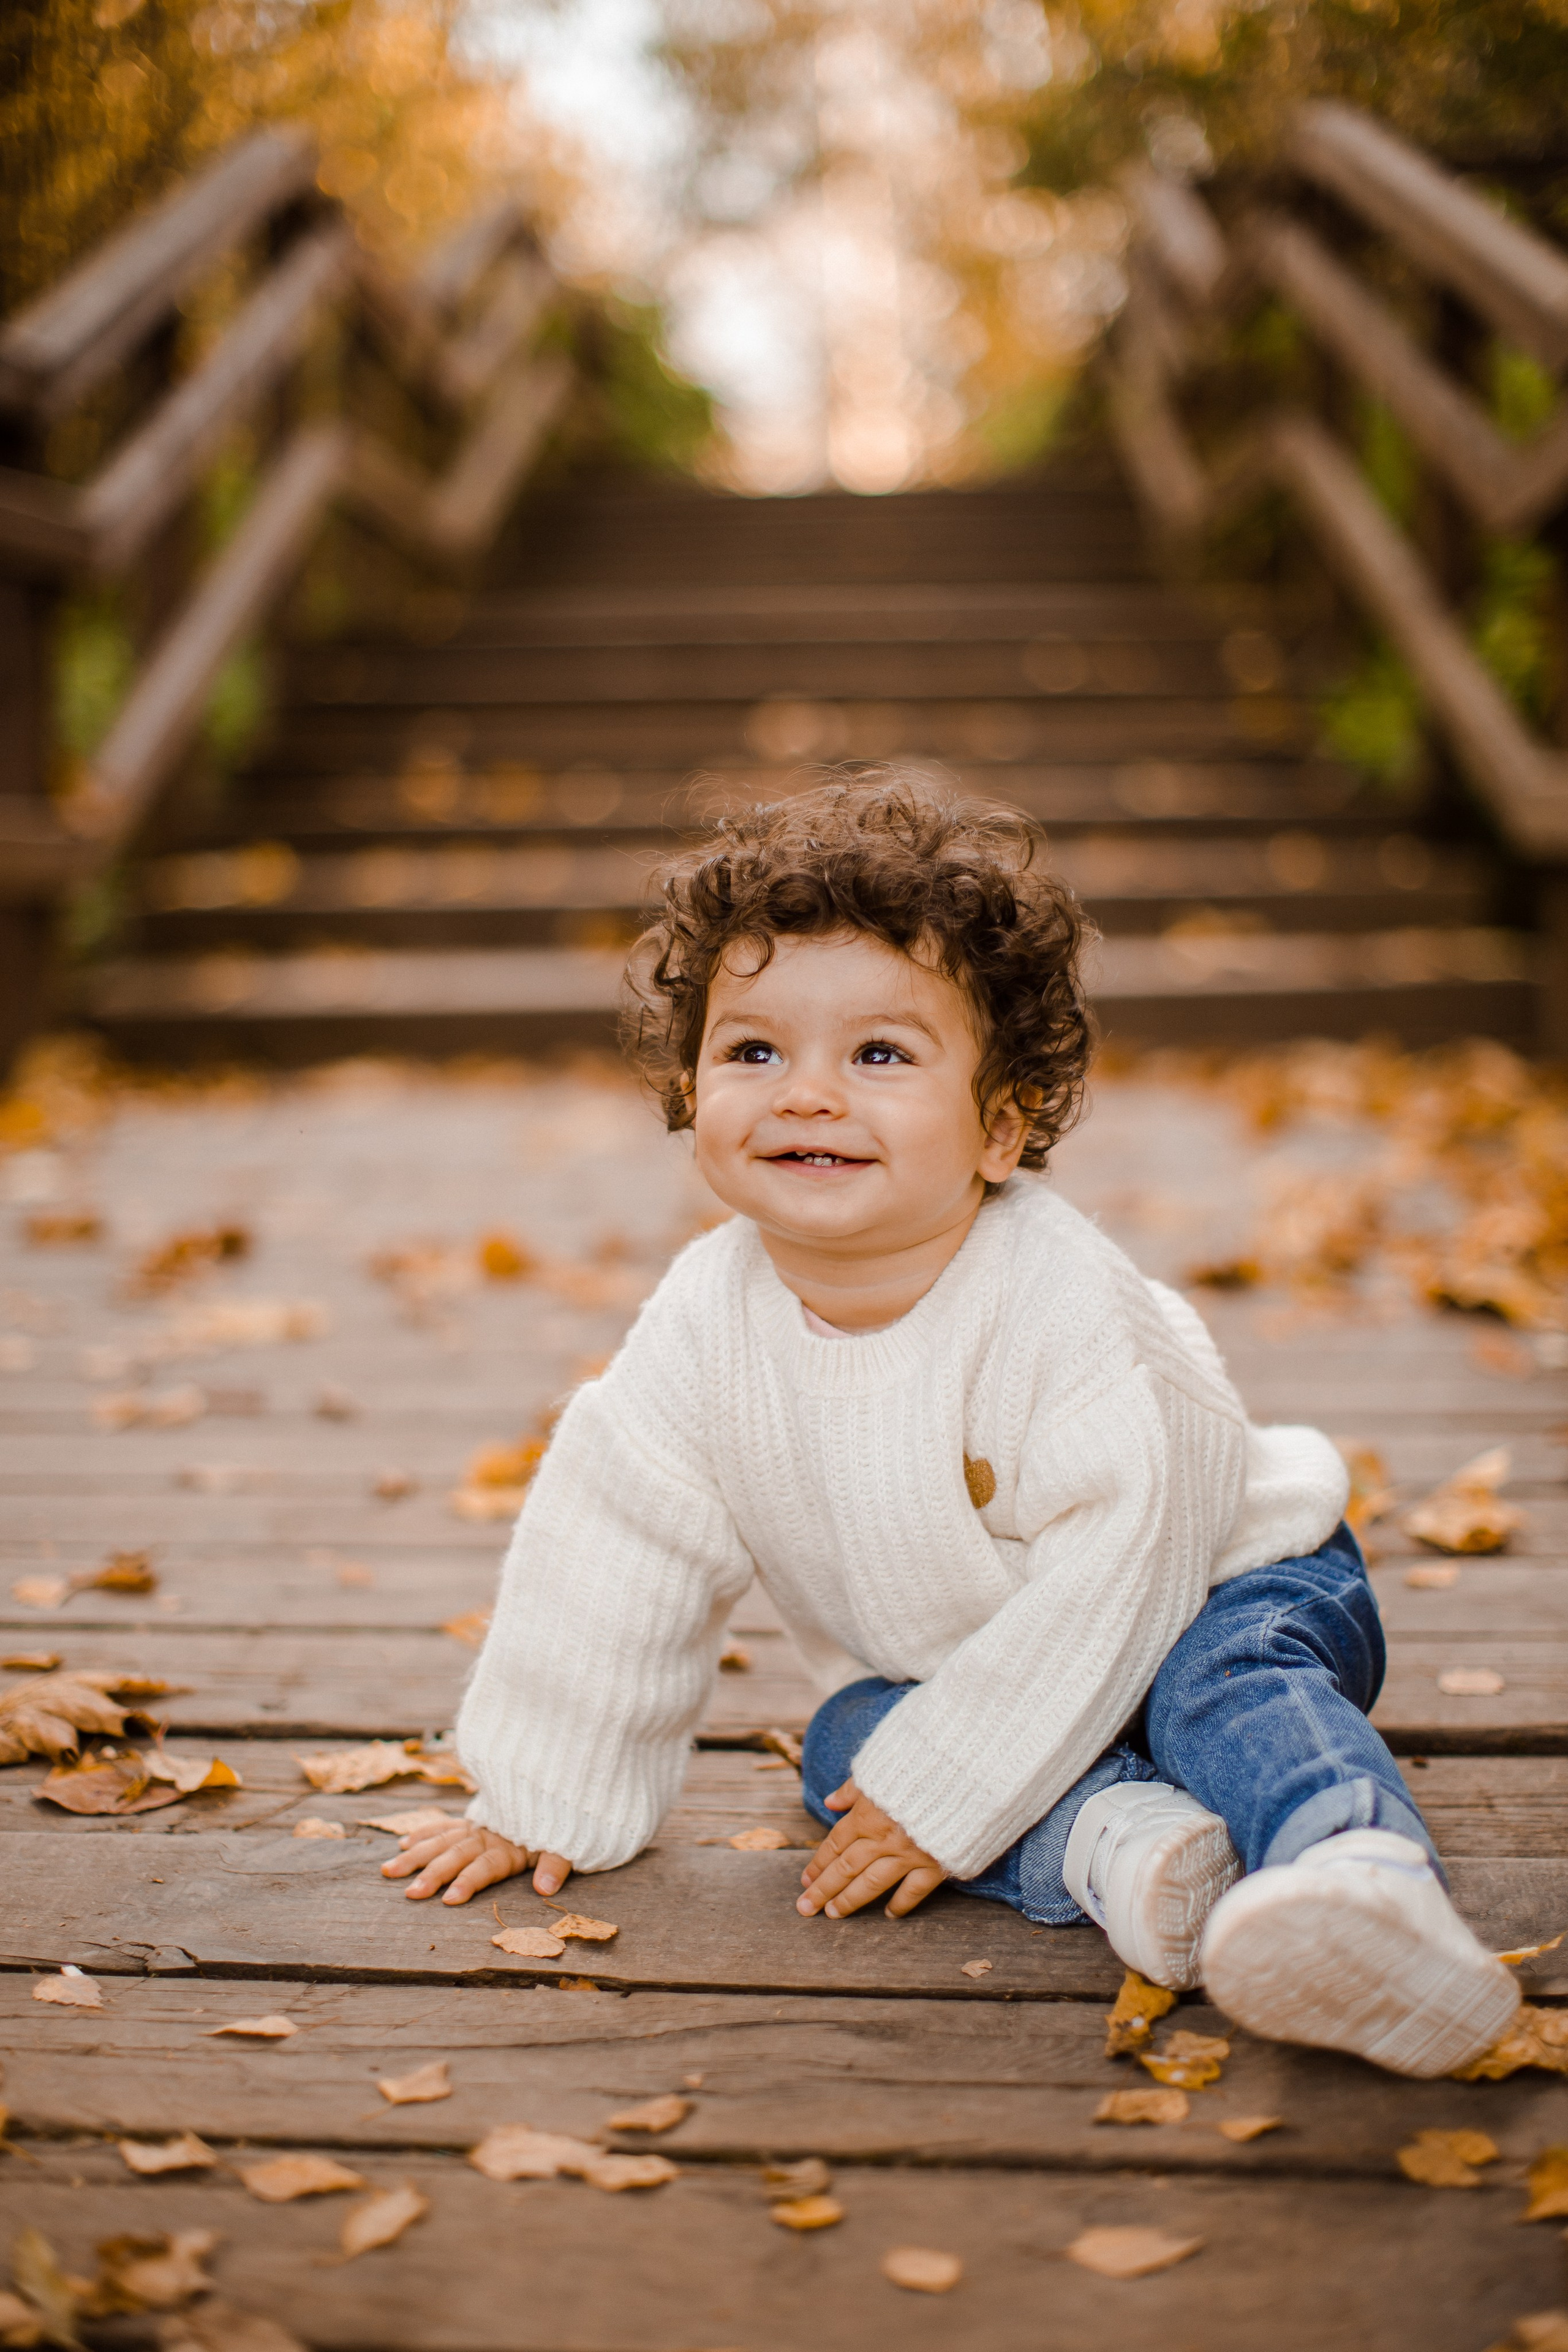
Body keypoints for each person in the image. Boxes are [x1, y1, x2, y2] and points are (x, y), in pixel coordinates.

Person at [382, 772, 1518, 2078]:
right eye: (753, 1050)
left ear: (1001, 1122)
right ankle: (1138, 1856)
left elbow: (1134, 1551)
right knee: (847, 1744)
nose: (804, 1093)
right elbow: (616, 1540)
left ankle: (1359, 1879)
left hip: (1215, 1587)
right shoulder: (705, 1319)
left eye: (878, 1054)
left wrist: (954, 1789)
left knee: (1225, 1693)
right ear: (691, 1090)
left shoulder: (1060, 1300)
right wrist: (545, 1795)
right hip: (977, 1661)